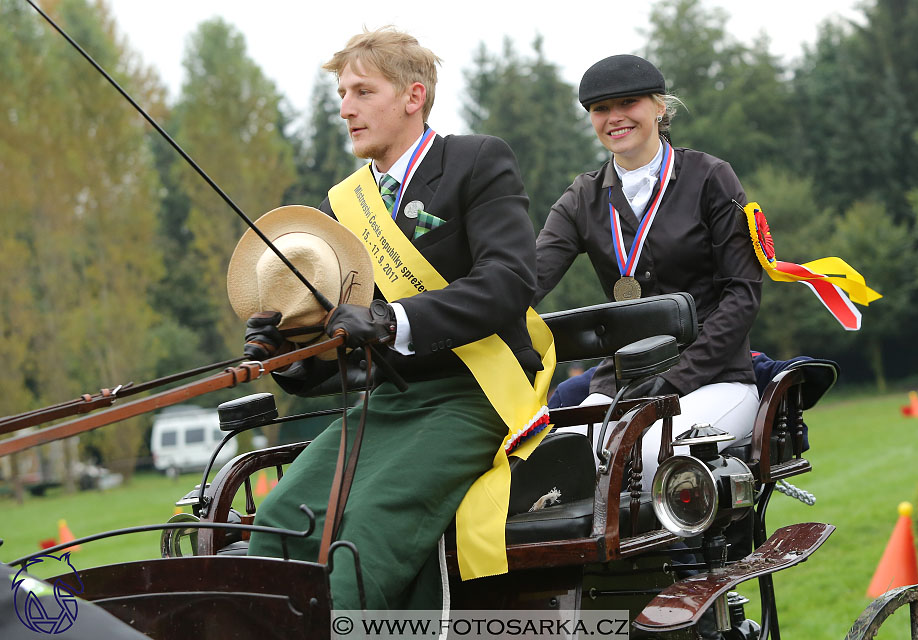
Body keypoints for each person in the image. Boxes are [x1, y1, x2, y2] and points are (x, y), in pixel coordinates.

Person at [233, 28, 548, 610]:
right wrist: (291, 355)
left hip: (475, 393)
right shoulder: (345, 204)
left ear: (413, 96)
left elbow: (508, 280)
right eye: (342, 95)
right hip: (387, 402)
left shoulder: (477, 161)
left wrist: (392, 318)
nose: (346, 109)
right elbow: (348, 347)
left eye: (362, 91)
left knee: (367, 532)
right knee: (280, 518)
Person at [535, 54, 763, 492]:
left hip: (716, 379)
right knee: (563, 461)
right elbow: (527, 281)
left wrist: (674, 379)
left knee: (645, 453)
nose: (614, 117)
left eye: (628, 102)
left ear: (660, 107)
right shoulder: (581, 198)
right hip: (624, 384)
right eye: (601, 109)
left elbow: (743, 295)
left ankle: (683, 559)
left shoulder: (712, 177)